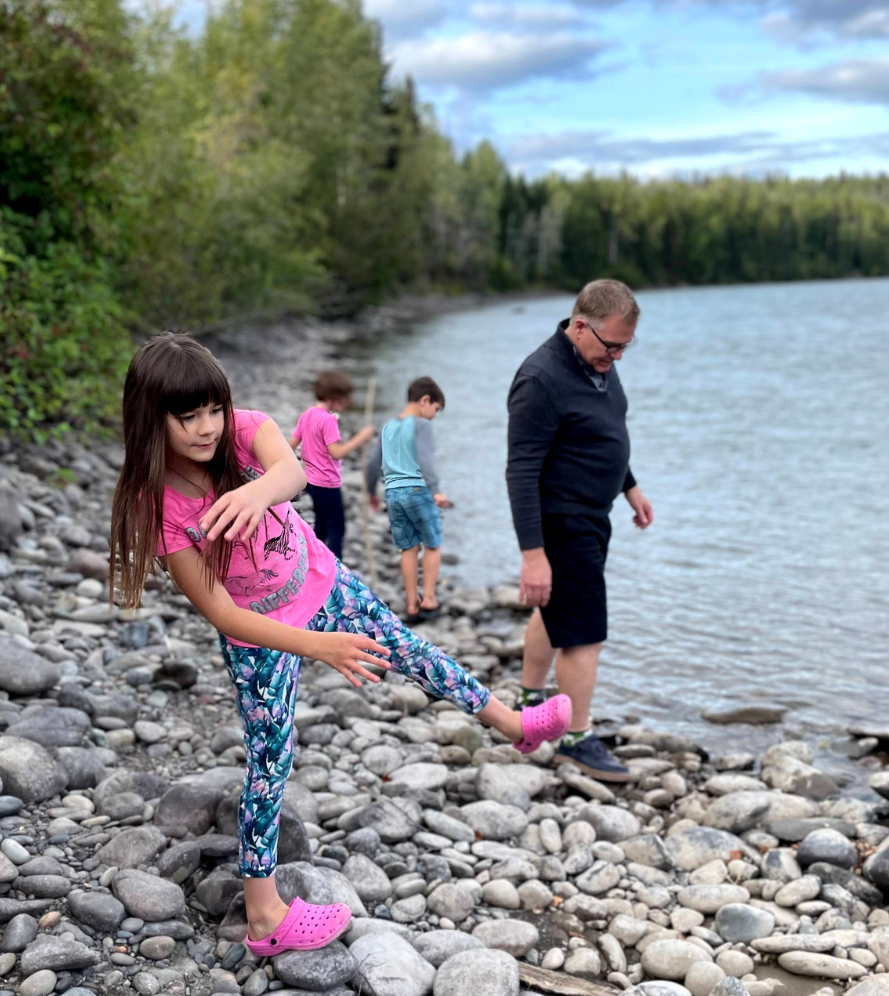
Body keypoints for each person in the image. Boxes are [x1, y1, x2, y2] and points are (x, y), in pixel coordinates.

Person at [110, 334, 571, 957]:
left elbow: (294, 471)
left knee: (411, 650)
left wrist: (252, 491)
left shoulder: (244, 431)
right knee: (271, 758)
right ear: (149, 418)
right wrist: (317, 646)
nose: (206, 428)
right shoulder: (158, 502)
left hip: (322, 579)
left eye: (212, 410)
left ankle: (512, 721)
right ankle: (263, 914)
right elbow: (220, 611)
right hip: (261, 633)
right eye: (186, 417)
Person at [506, 280, 654, 783]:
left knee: (557, 611)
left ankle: (529, 704)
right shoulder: (541, 378)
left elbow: (608, 432)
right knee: (585, 633)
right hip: (562, 520)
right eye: (611, 345)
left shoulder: (600, 366)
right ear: (579, 326)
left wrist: (629, 486)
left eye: (624, 348)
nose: (616, 356)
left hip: (596, 514)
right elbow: (521, 470)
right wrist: (533, 554)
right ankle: (576, 739)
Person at [365, 376, 448, 623]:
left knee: (408, 548)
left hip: (393, 494)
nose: (433, 416)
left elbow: (372, 464)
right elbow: (425, 459)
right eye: (435, 409)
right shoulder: (421, 425)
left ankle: (411, 603)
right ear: (425, 401)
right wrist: (435, 490)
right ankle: (429, 599)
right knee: (433, 544)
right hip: (417, 491)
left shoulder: (388, 427)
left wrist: (371, 491)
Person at [288, 372, 373, 561]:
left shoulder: (308, 414)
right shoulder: (329, 420)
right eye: (344, 398)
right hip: (328, 483)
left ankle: (315, 562)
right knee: (337, 528)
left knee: (321, 525)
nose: (346, 402)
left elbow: (290, 446)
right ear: (333, 398)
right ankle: (335, 571)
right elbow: (337, 452)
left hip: (311, 481)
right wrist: (361, 437)